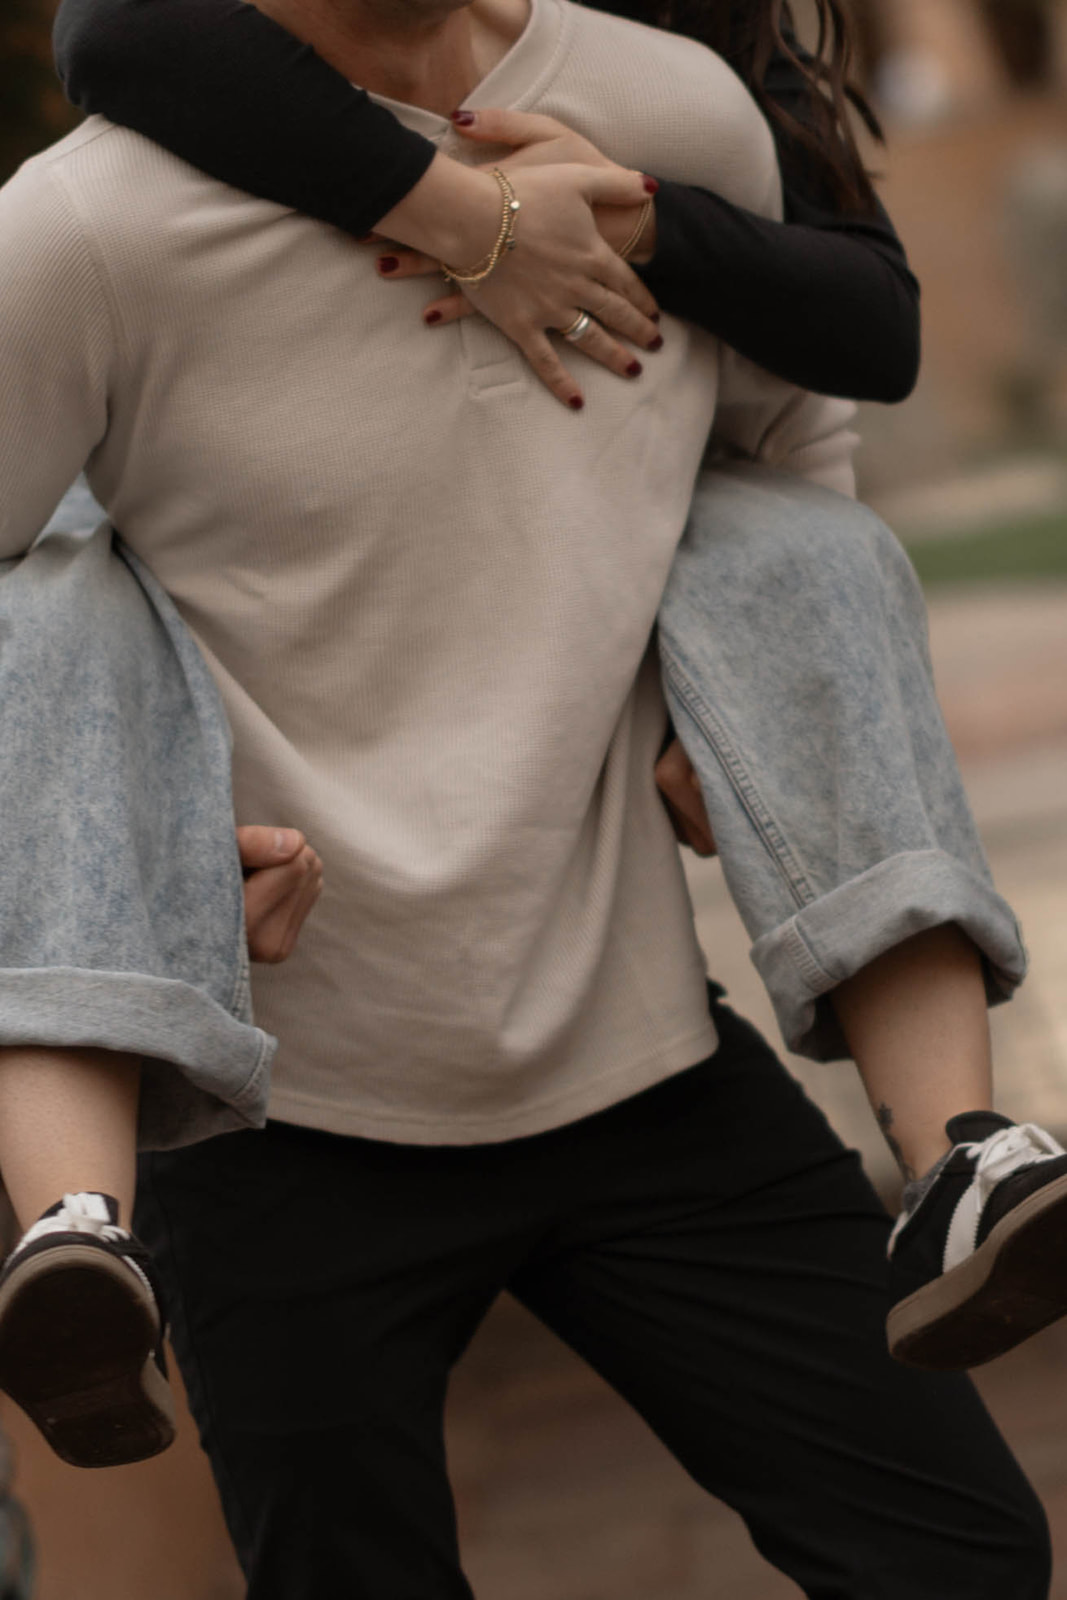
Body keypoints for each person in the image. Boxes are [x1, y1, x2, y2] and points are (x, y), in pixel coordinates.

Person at [0, 0, 1054, 1592]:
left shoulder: (669, 116)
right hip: (285, 1116)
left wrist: (757, 707)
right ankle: (65, 1208)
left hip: (632, 1050)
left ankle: (965, 1144)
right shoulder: (84, 230)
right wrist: (119, 839)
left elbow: (786, 444)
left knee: (961, 1555)